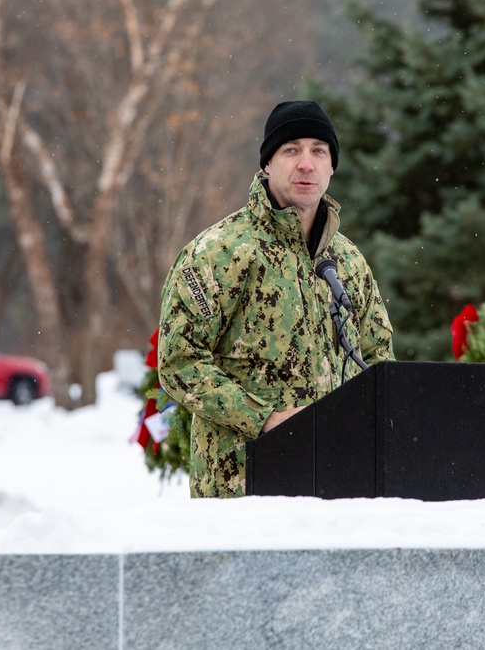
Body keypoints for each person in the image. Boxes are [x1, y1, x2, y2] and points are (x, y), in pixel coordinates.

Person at [157, 100, 393, 498]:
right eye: (291, 150)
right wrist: (266, 419)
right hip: (243, 490)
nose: (306, 164)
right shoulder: (220, 251)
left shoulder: (348, 261)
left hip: (338, 490)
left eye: (319, 151)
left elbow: (378, 358)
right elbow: (178, 361)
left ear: (332, 166)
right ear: (267, 163)